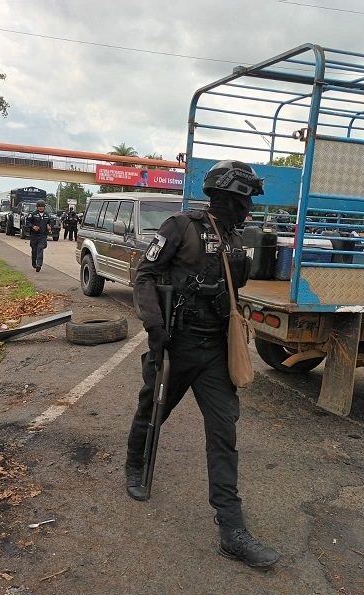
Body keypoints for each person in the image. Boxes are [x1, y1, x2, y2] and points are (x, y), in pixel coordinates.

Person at [125, 160, 280, 569]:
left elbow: (238, 283)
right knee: (151, 411)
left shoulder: (235, 237)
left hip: (215, 352)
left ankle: (232, 528)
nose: (248, 210)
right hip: (176, 346)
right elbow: (144, 275)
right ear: (225, 197)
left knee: (223, 433)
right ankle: (135, 466)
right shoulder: (180, 227)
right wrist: (154, 327)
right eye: (244, 202)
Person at [26, 199, 51, 272]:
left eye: (42, 206)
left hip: (42, 236)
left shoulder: (47, 215)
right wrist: (33, 226)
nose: (40, 208)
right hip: (34, 235)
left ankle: (39, 264)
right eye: (39, 206)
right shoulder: (33, 214)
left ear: (44, 207)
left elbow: (49, 223)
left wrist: (49, 227)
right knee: (34, 250)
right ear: (37, 207)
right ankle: (34, 262)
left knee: (40, 249)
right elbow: (27, 222)